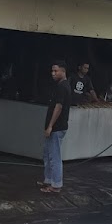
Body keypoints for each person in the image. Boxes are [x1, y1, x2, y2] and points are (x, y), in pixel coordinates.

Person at [40, 60, 71, 194]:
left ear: (63, 71)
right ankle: (48, 179)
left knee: (54, 156)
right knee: (47, 154)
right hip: (54, 127)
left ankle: (56, 184)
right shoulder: (60, 86)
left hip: (57, 127)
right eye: (52, 71)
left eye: (56, 71)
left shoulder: (63, 87)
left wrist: (50, 126)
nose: (53, 73)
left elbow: (59, 107)